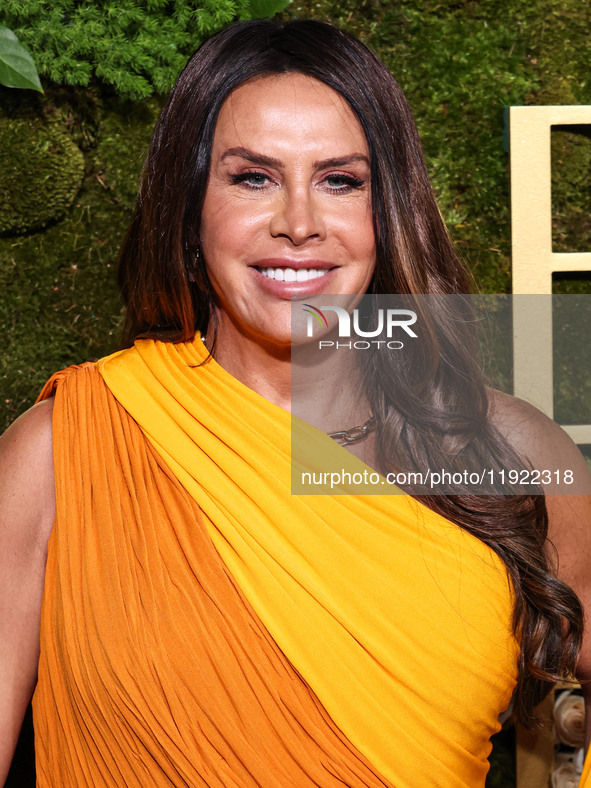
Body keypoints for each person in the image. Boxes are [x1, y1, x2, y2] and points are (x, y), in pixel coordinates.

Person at [1, 18, 590, 788]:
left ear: (389, 212)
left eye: (340, 181)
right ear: (188, 206)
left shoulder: (509, 449)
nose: (299, 223)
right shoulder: (63, 447)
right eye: (253, 178)